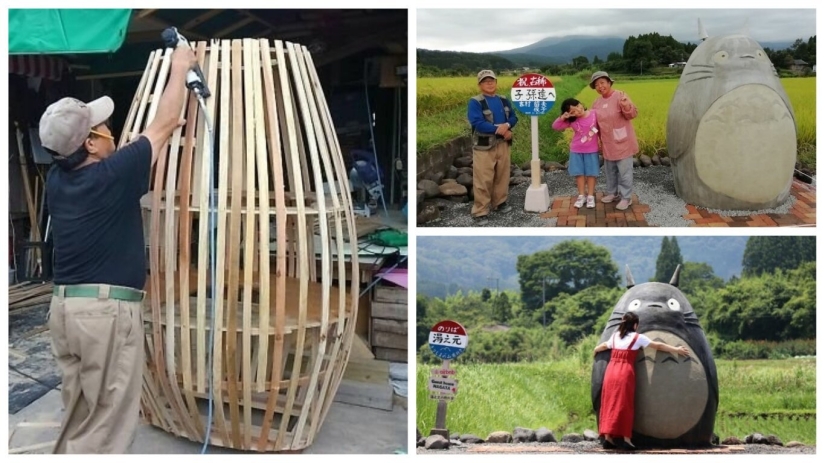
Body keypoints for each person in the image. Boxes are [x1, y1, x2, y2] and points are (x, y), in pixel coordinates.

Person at [39, 45, 198, 453]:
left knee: (81, 415)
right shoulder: (112, 175)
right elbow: (160, 125)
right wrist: (180, 67)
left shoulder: (58, 181)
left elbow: (155, 133)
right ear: (90, 145)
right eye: (103, 128)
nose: (111, 130)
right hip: (103, 317)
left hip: (66, 312)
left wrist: (158, 133)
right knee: (107, 425)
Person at [593, 312, 690, 449]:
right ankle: (626, 439)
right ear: (635, 325)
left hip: (611, 371)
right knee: (625, 404)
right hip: (624, 372)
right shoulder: (637, 338)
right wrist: (676, 349)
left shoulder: (615, 336)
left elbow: (604, 346)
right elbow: (657, 345)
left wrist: (595, 349)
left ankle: (608, 438)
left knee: (609, 402)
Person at [467, 69, 518, 225]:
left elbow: (514, 117)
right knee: (483, 178)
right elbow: (477, 122)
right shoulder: (475, 102)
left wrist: (508, 125)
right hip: (484, 146)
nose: (489, 83)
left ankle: (500, 203)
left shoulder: (503, 100)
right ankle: (480, 210)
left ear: (496, 82)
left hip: (503, 144)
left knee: (502, 175)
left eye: (491, 80)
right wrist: (501, 129)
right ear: (480, 84)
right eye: (485, 81)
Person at [589, 71, 639, 211]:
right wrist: (591, 138)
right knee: (610, 171)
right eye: (597, 85)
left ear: (609, 82)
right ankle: (613, 193)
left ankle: (626, 198)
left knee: (625, 172)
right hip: (607, 143)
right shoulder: (596, 102)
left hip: (623, 142)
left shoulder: (620, 96)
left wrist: (626, 105)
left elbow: (632, 114)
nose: (600, 86)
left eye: (602, 82)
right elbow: (594, 124)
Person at [551, 98, 600, 209]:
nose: (578, 110)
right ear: (570, 114)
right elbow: (555, 126)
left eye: (578, 106)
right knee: (579, 174)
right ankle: (581, 196)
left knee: (592, 174)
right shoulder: (571, 121)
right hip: (576, 150)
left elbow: (603, 127)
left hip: (592, 150)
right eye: (573, 111)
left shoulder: (594, 114)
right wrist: (562, 117)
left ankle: (591, 196)